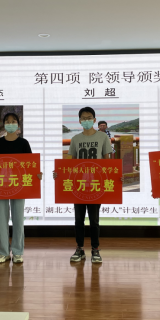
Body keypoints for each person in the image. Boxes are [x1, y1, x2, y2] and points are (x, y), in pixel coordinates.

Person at [54, 107, 112, 264]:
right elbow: (69, 163)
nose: (87, 120)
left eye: (89, 117)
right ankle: (79, 248)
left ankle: (95, 249)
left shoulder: (103, 137)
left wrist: (113, 178)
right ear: (79, 121)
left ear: (94, 120)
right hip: (78, 185)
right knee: (78, 219)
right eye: (84, 118)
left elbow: (107, 162)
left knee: (94, 220)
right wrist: (59, 174)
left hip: (95, 184)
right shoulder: (75, 139)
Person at [0, 113, 43, 265]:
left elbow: (30, 164)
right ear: (4, 125)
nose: (10, 124)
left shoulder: (23, 143)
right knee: (1, 219)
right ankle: (3, 252)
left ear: (18, 125)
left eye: (13, 121)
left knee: (18, 219)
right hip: (1, 185)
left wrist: (37, 175)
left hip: (19, 185)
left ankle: (18, 252)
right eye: (7, 122)